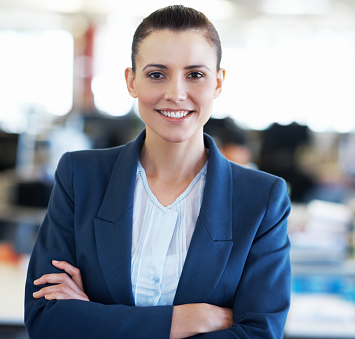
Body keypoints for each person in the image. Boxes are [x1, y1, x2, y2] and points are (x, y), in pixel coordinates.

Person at [24, 5, 291, 338]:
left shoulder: (262, 198)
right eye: (156, 74)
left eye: (195, 74)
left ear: (218, 83)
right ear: (131, 80)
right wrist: (178, 323)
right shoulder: (81, 176)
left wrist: (94, 316)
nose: (175, 94)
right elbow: (46, 320)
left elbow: (259, 333)